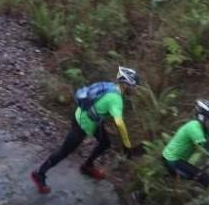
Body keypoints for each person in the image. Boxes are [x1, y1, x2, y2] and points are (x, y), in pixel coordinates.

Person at [30, 66, 141, 195]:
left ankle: (87, 166)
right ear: (126, 85)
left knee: (105, 143)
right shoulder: (116, 100)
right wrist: (127, 145)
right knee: (63, 152)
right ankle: (39, 174)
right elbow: (119, 123)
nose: (136, 89)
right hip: (82, 124)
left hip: (87, 117)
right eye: (134, 86)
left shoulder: (111, 86)